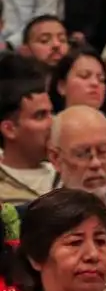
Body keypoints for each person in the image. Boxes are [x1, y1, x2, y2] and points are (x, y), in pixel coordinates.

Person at [46, 105, 106, 246]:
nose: (95, 163)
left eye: (103, 151)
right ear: (56, 158)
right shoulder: (37, 220)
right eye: (82, 154)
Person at [0, 77, 56, 206]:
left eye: (51, 113)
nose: (52, 122)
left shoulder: (67, 175)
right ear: (9, 129)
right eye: (40, 116)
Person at [53, 47, 106, 113]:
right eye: (84, 76)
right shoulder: (51, 122)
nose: (95, 83)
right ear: (62, 86)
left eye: (101, 79)